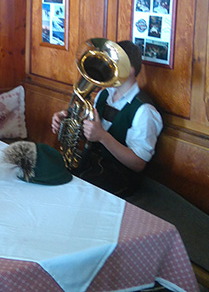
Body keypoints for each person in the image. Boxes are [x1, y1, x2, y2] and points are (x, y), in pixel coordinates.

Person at [51, 40, 163, 198]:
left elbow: (138, 163)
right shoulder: (104, 94)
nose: (106, 67)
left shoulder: (145, 111)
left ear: (129, 70)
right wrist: (67, 121)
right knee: (48, 166)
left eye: (112, 63)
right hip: (93, 164)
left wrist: (103, 137)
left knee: (70, 191)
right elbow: (90, 132)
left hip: (120, 177)